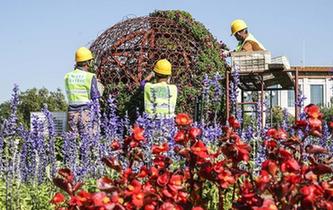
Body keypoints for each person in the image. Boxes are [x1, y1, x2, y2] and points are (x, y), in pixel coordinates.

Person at [64, 47, 100, 133]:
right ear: (88, 62)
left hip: (71, 114)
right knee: (89, 142)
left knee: (73, 143)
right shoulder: (90, 77)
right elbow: (95, 96)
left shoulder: (68, 76)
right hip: (85, 113)